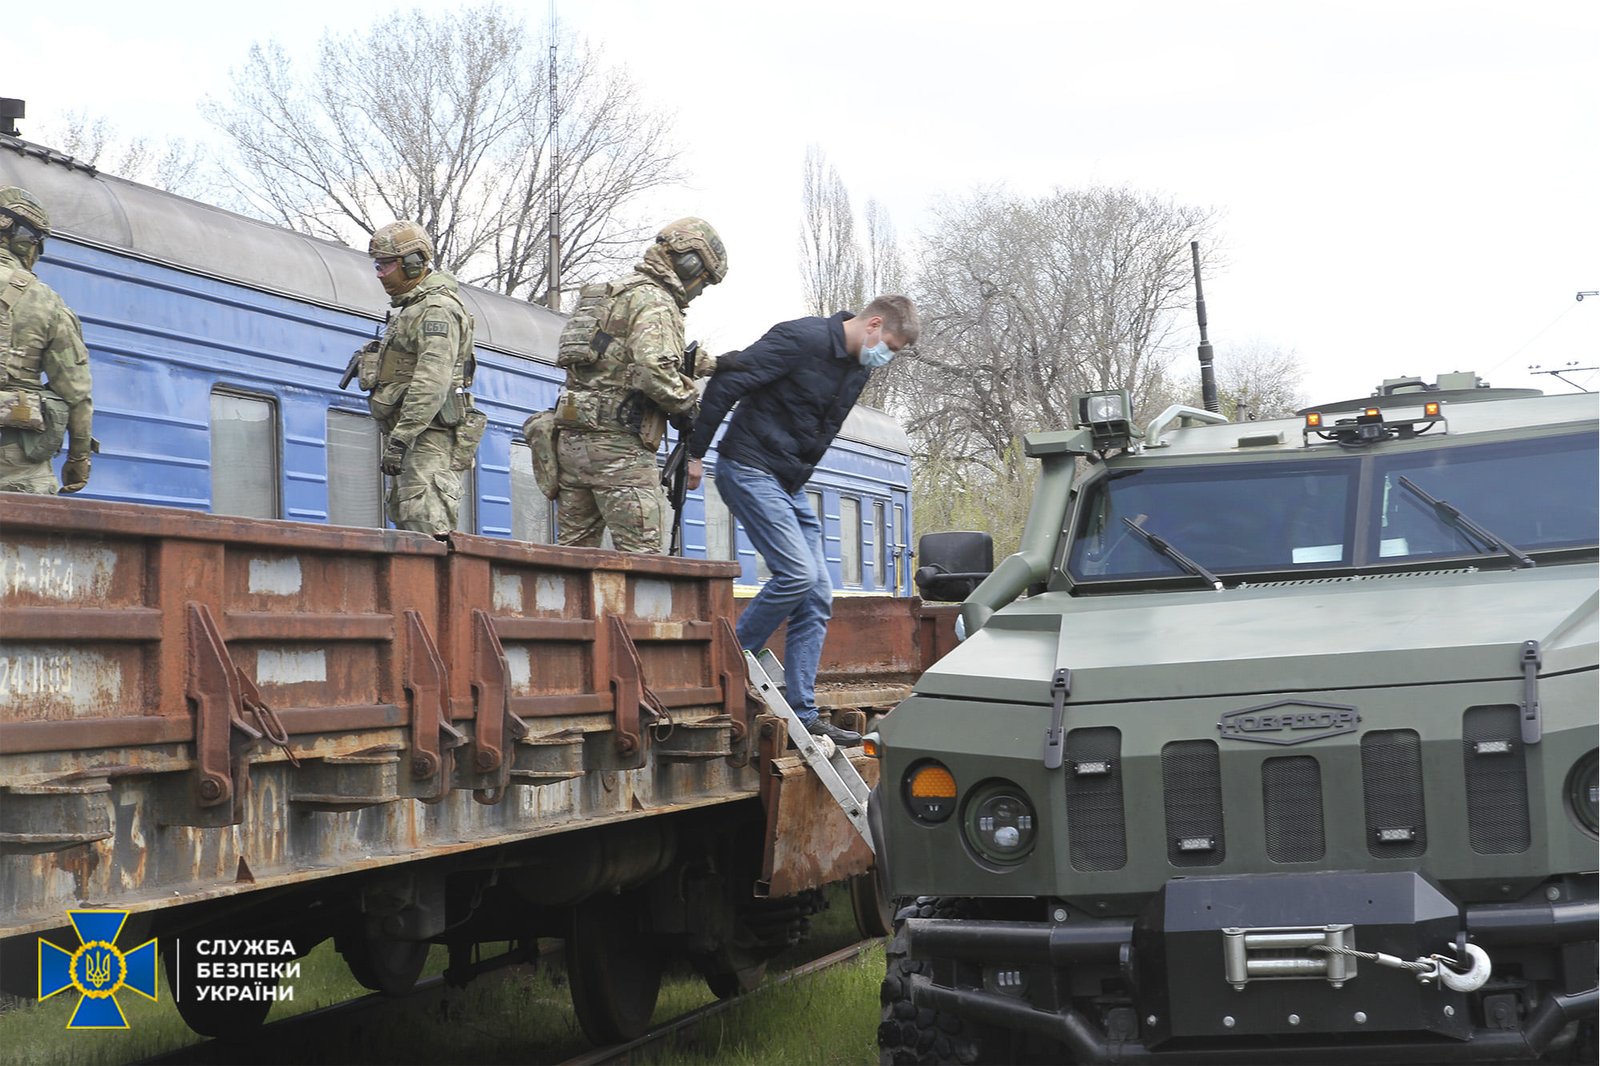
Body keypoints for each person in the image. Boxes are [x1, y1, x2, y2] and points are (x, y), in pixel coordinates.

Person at [688, 295, 919, 745]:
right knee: (795, 574)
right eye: (888, 346)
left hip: (787, 484)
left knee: (816, 593)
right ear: (872, 324)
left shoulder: (858, 368)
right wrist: (696, 451)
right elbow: (728, 382)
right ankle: (732, 656)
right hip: (748, 466)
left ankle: (804, 712)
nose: (886, 357)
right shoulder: (801, 338)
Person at [548, 217, 726, 552]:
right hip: (620, 455)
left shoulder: (612, 294)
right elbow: (653, 370)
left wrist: (715, 363)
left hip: (572, 448)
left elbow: (618, 352)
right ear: (690, 265)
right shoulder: (655, 301)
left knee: (571, 560)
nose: (699, 293)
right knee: (643, 562)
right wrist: (688, 405)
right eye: (703, 283)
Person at [355, 220, 484, 534]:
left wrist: (401, 437)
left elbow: (432, 380)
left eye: (385, 264)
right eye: (377, 264)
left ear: (413, 264)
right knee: (409, 520)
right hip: (416, 438)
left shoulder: (436, 309)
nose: (379, 272)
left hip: (428, 438)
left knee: (424, 524)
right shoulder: (413, 309)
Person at [0, 186, 93, 494]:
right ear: (24, 239)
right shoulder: (45, 301)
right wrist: (79, 458)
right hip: (15, 459)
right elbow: (76, 392)